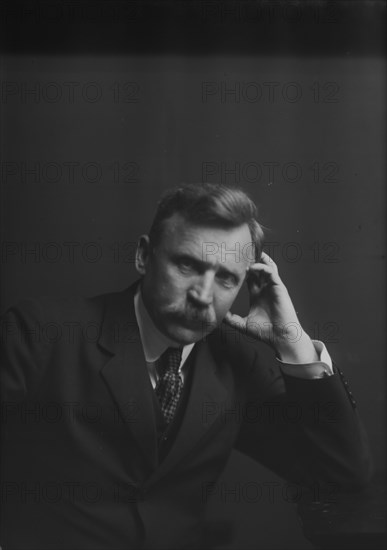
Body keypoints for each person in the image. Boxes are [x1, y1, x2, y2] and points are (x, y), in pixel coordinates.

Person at [0, 183, 371, 550]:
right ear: (144, 256)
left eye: (226, 278)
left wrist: (293, 340)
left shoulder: (235, 364)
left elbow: (339, 472)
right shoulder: (40, 333)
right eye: (187, 265)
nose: (203, 295)